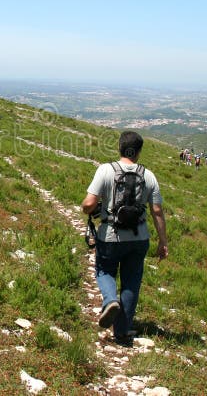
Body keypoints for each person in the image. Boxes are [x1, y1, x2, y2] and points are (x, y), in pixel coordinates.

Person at [81, 131, 168, 346]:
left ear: (120, 147)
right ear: (138, 152)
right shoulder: (149, 176)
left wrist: (88, 208)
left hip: (110, 235)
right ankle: (122, 330)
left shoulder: (105, 170)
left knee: (104, 271)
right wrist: (163, 241)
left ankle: (110, 301)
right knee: (131, 282)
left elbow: (89, 204)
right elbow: (157, 211)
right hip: (139, 238)